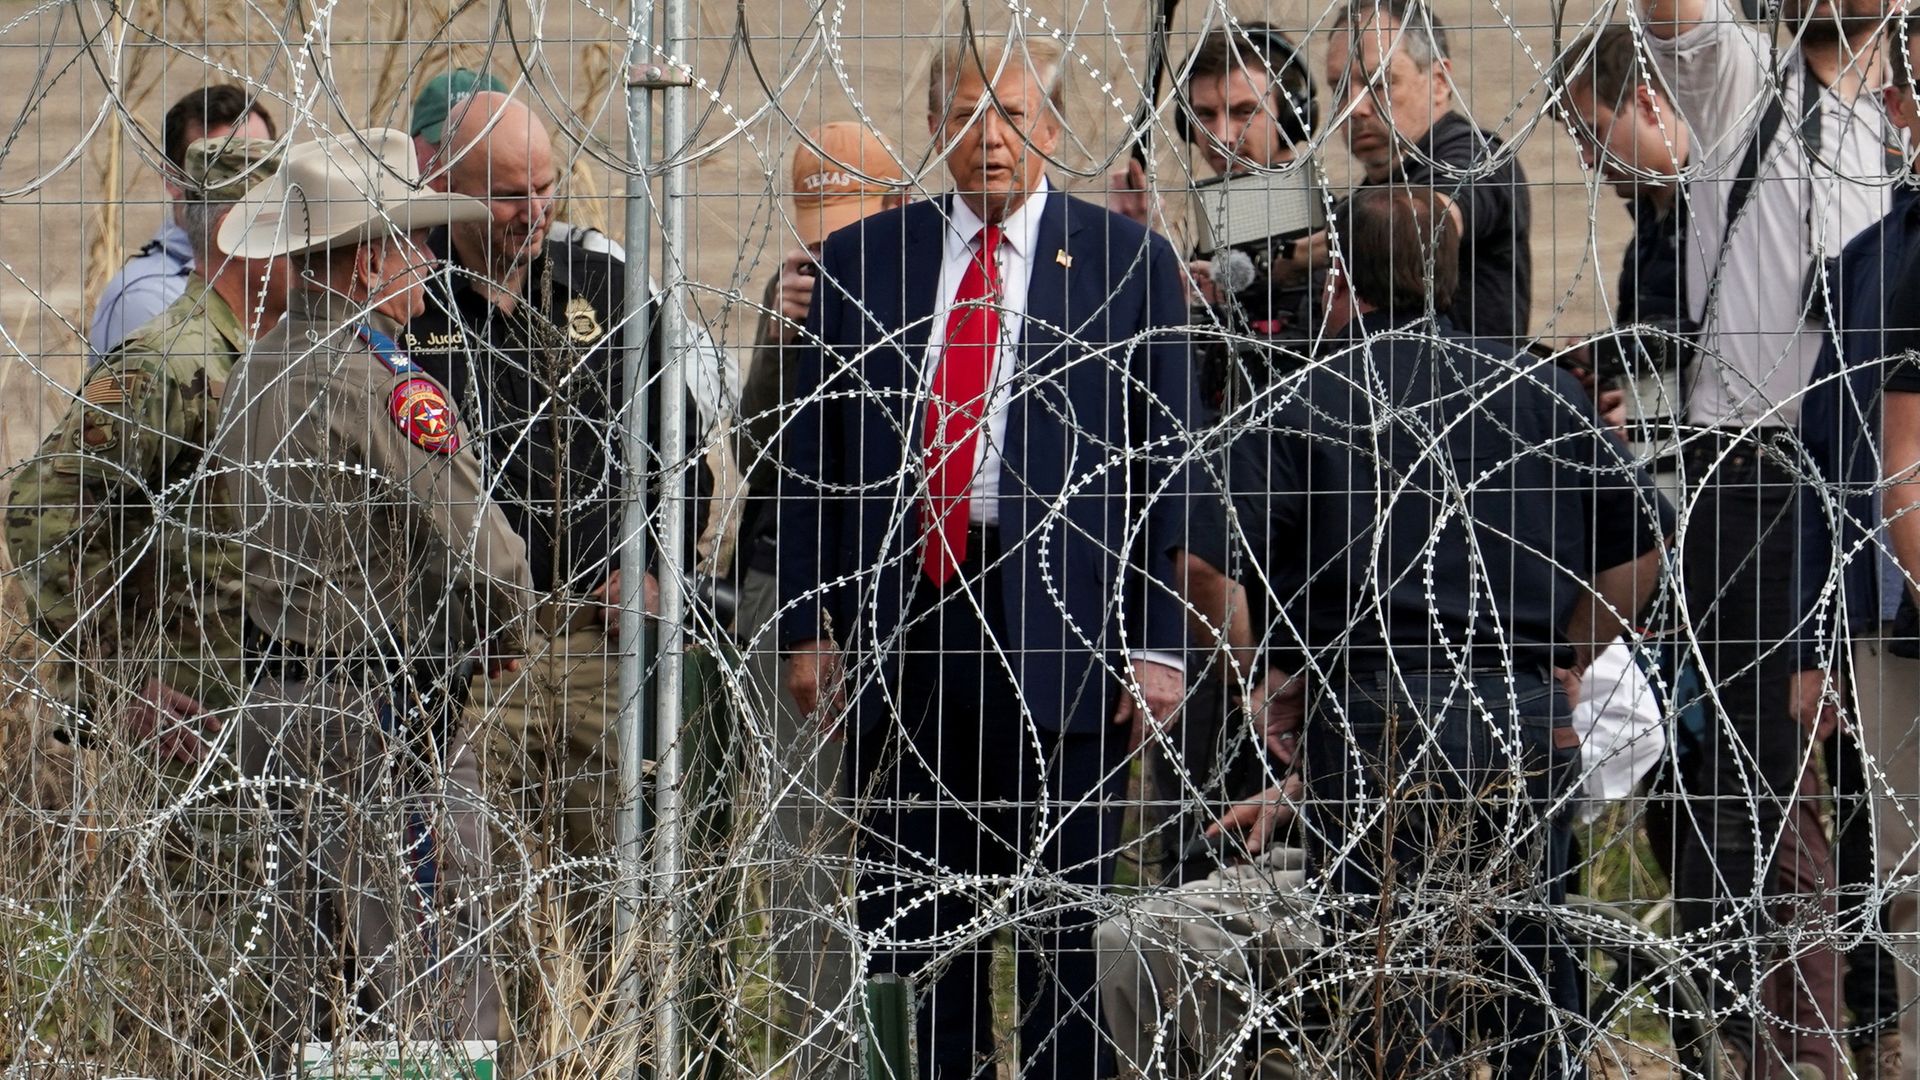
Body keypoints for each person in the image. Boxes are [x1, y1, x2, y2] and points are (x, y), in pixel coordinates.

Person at [776, 34, 1201, 1080]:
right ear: (934, 128)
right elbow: (811, 460)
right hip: (912, 613)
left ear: (1051, 130)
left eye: (1014, 117)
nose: (992, 140)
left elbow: (1166, 464)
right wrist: (805, 624)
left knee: (1064, 919)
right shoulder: (867, 260)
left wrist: (1157, 645)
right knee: (923, 916)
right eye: (968, 116)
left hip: (1065, 619)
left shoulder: (1125, 264)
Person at [1188, 186, 1670, 1078]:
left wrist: (1262, 674)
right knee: (1530, 961)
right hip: (1517, 712)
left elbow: (1204, 565)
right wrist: (1570, 652)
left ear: (1345, 280)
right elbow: (1640, 555)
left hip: (1372, 711)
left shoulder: (1311, 394)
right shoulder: (1538, 393)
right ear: (1449, 275)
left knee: (1391, 980)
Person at [1568, 25, 1860, 1077]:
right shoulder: (1661, 231)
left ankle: (1806, 1045)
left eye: (1596, 138)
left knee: (1783, 804)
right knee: (1712, 797)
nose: (1592, 168)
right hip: (1700, 522)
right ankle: (1736, 1031)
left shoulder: (1748, 119)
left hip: (1777, 493)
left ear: (1651, 103)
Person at [210, 127, 534, 1060]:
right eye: (411, 243)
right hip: (384, 711)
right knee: (433, 975)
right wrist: (497, 634)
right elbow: (492, 558)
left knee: (305, 984)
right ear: (362, 266)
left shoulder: (254, 370)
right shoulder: (382, 385)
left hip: (275, 699)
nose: (428, 262)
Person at [1634, 0, 1895, 1065]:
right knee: (1762, 793)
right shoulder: (1743, 80)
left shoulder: (1902, 114)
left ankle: (1882, 1037)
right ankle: (1778, 1053)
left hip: (1896, 476)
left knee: (1891, 802)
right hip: (1764, 475)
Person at [3, 136, 286, 1066]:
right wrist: (116, 682)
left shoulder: (258, 354)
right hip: (191, 729)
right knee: (212, 988)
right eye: (303, 239)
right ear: (255, 240)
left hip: (257, 717)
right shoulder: (176, 363)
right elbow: (41, 512)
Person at [732, 119, 905, 1080]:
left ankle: (904, 1042)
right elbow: (761, 457)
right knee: (802, 842)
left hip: (899, 590)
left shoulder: (931, 288)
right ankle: (821, 1056)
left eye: (851, 223)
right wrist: (783, 340)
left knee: (902, 831)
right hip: (785, 581)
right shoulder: (790, 299)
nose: (831, 248)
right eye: (816, 228)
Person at [1324, 0, 1533, 342]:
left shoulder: (1476, 157)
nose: (1354, 109)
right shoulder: (1376, 190)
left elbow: (1429, 222)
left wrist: (1290, 258)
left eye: (1379, 83)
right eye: (1339, 89)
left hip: (1469, 389)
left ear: (1438, 81)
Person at [91, 84, 277, 355]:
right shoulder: (145, 296)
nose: (247, 187)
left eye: (260, 166)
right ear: (172, 178)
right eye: (222, 171)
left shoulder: (283, 275)